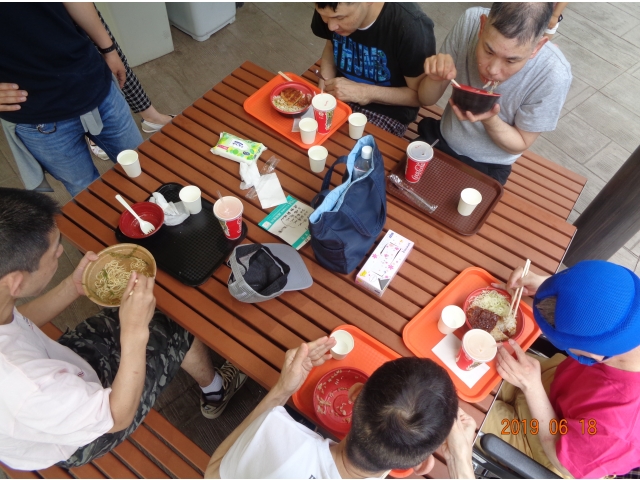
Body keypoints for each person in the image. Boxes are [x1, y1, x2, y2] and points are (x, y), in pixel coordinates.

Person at [0, 188, 247, 470]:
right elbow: (117, 416)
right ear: (16, 282)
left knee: (146, 316)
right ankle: (216, 392)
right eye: (55, 251)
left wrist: (72, 287)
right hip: (83, 429)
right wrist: (134, 332)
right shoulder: (27, 387)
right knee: (174, 322)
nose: (61, 251)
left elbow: (17, 320)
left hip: (62, 369)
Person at [205, 336, 478, 479]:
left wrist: (282, 390)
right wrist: (460, 463)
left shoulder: (277, 434)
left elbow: (214, 472)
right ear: (420, 463)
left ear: (355, 393)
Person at [481, 260, 640, 478]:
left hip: (554, 443)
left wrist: (532, 388)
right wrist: (559, 290)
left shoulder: (618, 431)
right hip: (554, 382)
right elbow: (608, 297)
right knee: (477, 355)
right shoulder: (630, 321)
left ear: (594, 355)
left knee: (453, 407)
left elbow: (562, 461)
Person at [417, 3, 572, 185]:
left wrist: (490, 119)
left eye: (511, 61)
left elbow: (521, 143)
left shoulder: (553, 74)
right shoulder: (470, 22)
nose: (492, 70)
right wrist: (435, 78)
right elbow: (425, 99)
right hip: (440, 138)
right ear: (482, 26)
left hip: (489, 166)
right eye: (488, 51)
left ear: (537, 47)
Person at [0, 3, 144, 197]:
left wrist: (109, 49)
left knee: (140, 165)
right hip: (36, 114)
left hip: (93, 81)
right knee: (87, 193)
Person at [311, 2, 436, 138]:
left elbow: (418, 96)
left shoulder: (410, 27)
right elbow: (331, 46)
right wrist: (322, 93)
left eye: (340, 18)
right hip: (338, 92)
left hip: (385, 111)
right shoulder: (330, 8)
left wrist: (365, 92)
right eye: (324, 16)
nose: (331, 26)